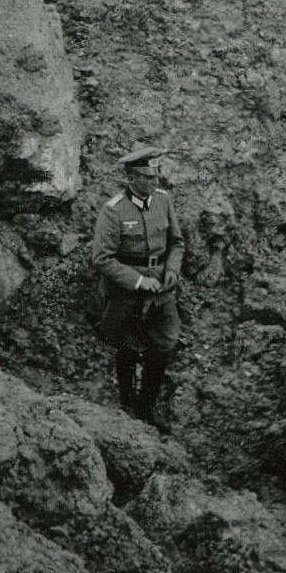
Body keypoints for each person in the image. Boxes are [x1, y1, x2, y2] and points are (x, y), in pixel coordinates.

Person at [91, 144, 184, 432]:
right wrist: (139, 281)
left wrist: (171, 270)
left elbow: (177, 243)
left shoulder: (163, 201)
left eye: (156, 176)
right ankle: (127, 405)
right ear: (132, 179)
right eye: (148, 177)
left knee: (165, 344)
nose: (155, 182)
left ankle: (146, 407)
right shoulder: (114, 211)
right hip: (126, 291)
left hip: (160, 289)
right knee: (127, 347)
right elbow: (102, 259)